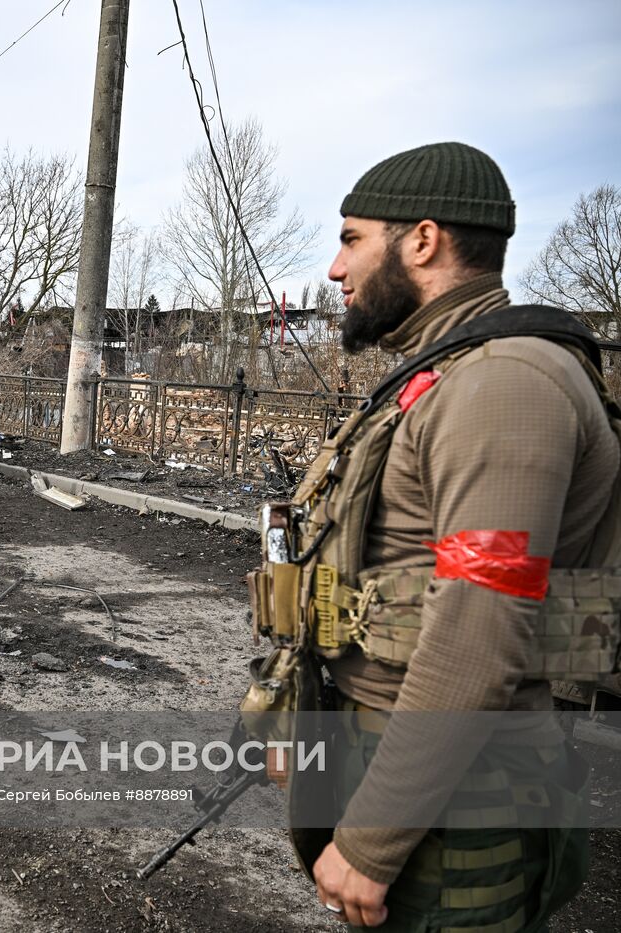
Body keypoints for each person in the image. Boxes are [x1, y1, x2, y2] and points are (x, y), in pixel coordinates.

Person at [267, 142, 620, 930]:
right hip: (411, 767)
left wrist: (370, 842)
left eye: (352, 237)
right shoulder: (451, 373)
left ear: (422, 241)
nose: (334, 267)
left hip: (463, 799)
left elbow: (478, 630)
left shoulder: (504, 383)